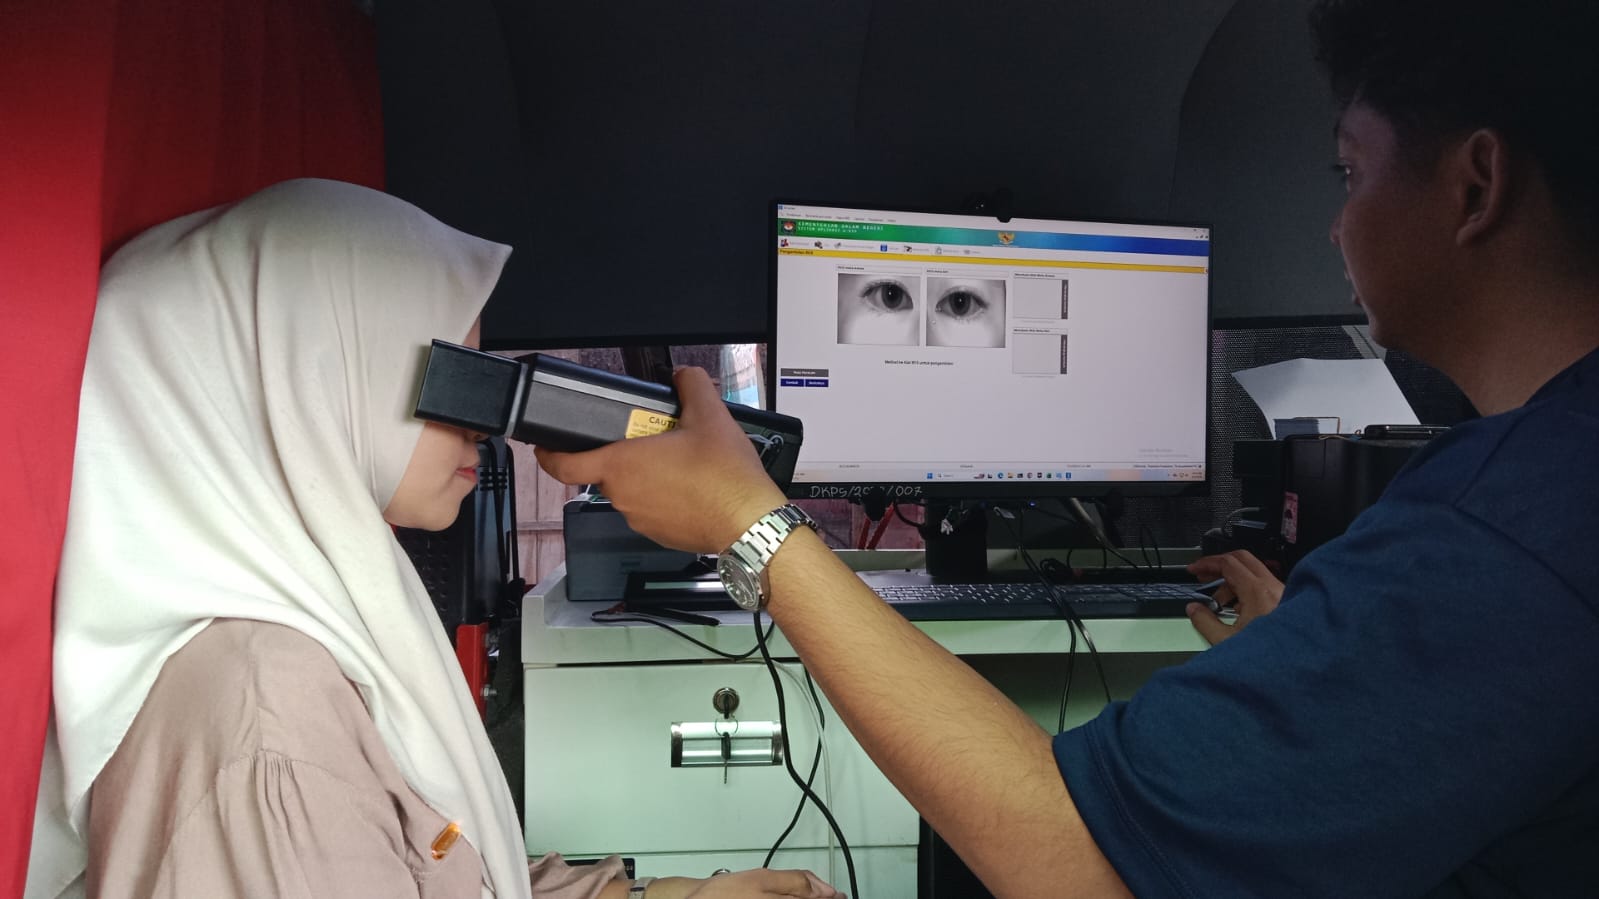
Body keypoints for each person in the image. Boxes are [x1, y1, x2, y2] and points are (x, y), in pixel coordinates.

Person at [535, 0, 1599, 895]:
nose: (1334, 226)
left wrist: (751, 524)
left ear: (1475, 185)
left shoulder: (1502, 529)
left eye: (1349, 172)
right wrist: (1321, 666)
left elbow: (1076, 861)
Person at [25, 179, 840, 899]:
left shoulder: (325, 633)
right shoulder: (266, 719)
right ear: (314, 379)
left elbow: (438, 865)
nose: (482, 426)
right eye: (450, 377)